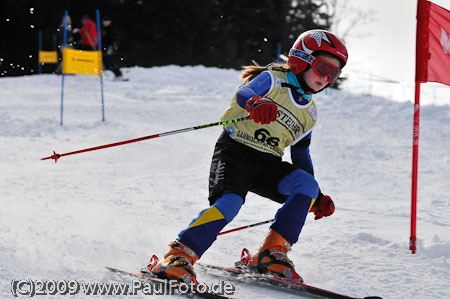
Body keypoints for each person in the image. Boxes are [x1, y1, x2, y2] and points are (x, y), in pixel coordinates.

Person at [149, 29, 348, 284]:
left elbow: (300, 153)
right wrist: (255, 102)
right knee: (230, 204)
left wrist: (315, 196)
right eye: (323, 68)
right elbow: (245, 94)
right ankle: (178, 255)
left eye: (334, 73)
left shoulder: (309, 113)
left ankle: (270, 254)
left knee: (306, 185)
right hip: (235, 152)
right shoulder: (272, 80)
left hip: (267, 165)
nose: (327, 78)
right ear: (302, 59)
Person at [101, 15, 125, 81]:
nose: (105, 23)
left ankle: (119, 74)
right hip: (104, 47)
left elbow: (112, 40)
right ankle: (117, 74)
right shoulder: (103, 29)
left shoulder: (110, 29)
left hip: (109, 47)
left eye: (106, 21)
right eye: (104, 21)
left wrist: (111, 46)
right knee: (106, 62)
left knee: (109, 61)